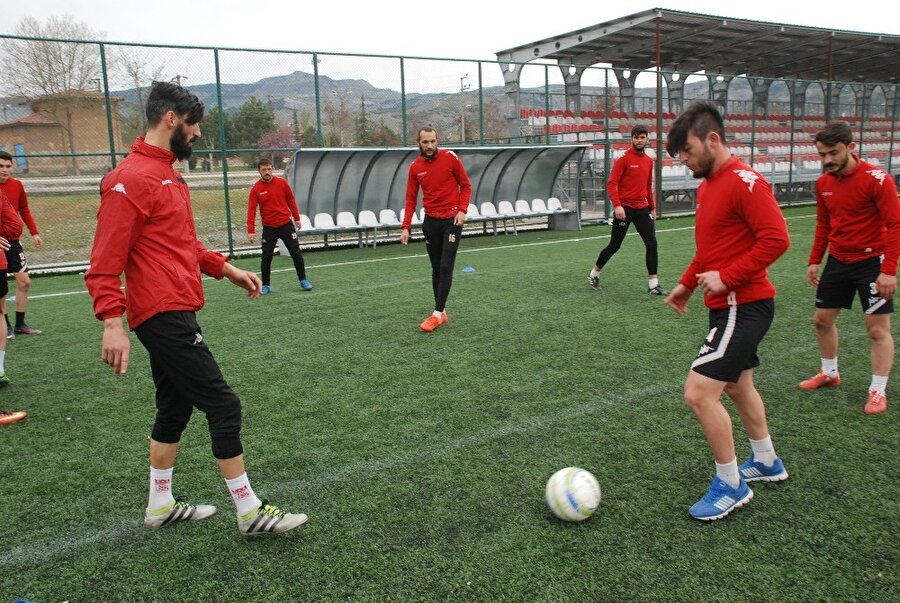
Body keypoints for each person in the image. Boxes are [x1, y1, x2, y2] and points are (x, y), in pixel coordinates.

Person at [85, 81, 307, 536]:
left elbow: (181, 244)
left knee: (174, 408)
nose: (199, 134)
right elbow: (104, 262)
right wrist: (112, 321)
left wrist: (227, 269)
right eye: (195, 125)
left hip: (175, 305)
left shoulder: (166, 174)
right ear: (172, 118)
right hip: (160, 312)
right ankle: (249, 510)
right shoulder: (130, 180)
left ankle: (160, 504)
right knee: (224, 404)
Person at [663, 102, 791, 521]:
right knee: (737, 386)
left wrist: (729, 277)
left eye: (686, 149)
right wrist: (686, 282)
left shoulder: (745, 182)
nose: (683, 160)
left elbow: (776, 239)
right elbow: (709, 249)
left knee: (699, 394)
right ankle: (767, 461)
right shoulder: (708, 186)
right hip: (729, 306)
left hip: (744, 304)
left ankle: (731, 484)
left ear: (712, 139)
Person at [799, 121, 900, 415]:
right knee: (821, 320)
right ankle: (830, 373)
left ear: (851, 147)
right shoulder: (823, 183)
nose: (827, 160)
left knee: (877, 331)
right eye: (822, 154)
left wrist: (889, 270)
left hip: (872, 262)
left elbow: (895, 225)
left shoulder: (878, 180)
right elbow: (824, 223)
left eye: (833, 153)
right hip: (838, 261)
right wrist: (815, 259)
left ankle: (878, 390)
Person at [401, 126, 472, 332]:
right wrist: (405, 226)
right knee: (436, 267)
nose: (430, 145)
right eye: (425, 142)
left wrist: (462, 210)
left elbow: (465, 185)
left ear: (437, 140)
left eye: (433, 141)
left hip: (452, 221)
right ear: (419, 143)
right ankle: (442, 311)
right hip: (431, 222)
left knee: (445, 266)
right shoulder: (415, 167)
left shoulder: (450, 158)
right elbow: (410, 198)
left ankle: (436, 314)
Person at [588, 125, 666, 295]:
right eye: (636, 137)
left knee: (652, 244)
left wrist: (652, 207)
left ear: (647, 139)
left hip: (643, 209)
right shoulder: (623, 158)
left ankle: (653, 285)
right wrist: (617, 205)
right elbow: (611, 183)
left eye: (642, 137)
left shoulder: (648, 161)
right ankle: (594, 274)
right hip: (625, 210)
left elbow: (647, 186)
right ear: (632, 138)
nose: (639, 140)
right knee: (615, 245)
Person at [246, 157, 312, 294]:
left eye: (269, 169)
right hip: (269, 228)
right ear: (259, 171)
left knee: (296, 254)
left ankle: (303, 280)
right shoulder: (255, 189)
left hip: (286, 225)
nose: (267, 172)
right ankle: (265, 285)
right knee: (266, 257)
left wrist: (297, 218)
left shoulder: (282, 183)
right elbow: (251, 211)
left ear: (272, 169)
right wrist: (250, 230)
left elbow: (291, 200)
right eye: (264, 170)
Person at [0, 150, 42, 338]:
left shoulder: (16, 185)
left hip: (13, 241)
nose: (4, 170)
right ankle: (5, 325)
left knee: (24, 282)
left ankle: (20, 324)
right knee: (1, 288)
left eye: (8, 166)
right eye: (1, 166)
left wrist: (34, 232)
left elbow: (24, 209)